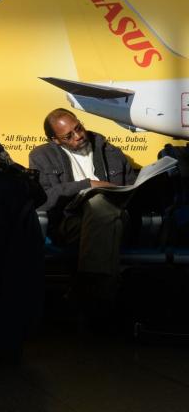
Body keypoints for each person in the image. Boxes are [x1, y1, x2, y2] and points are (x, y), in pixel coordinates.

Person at [28, 108, 136, 308]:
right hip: (69, 223)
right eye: (69, 136)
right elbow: (43, 199)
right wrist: (88, 185)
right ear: (56, 140)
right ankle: (99, 290)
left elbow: (131, 189)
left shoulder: (109, 150)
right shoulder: (42, 156)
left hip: (118, 218)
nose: (78, 136)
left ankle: (89, 287)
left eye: (79, 128)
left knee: (101, 206)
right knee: (99, 208)